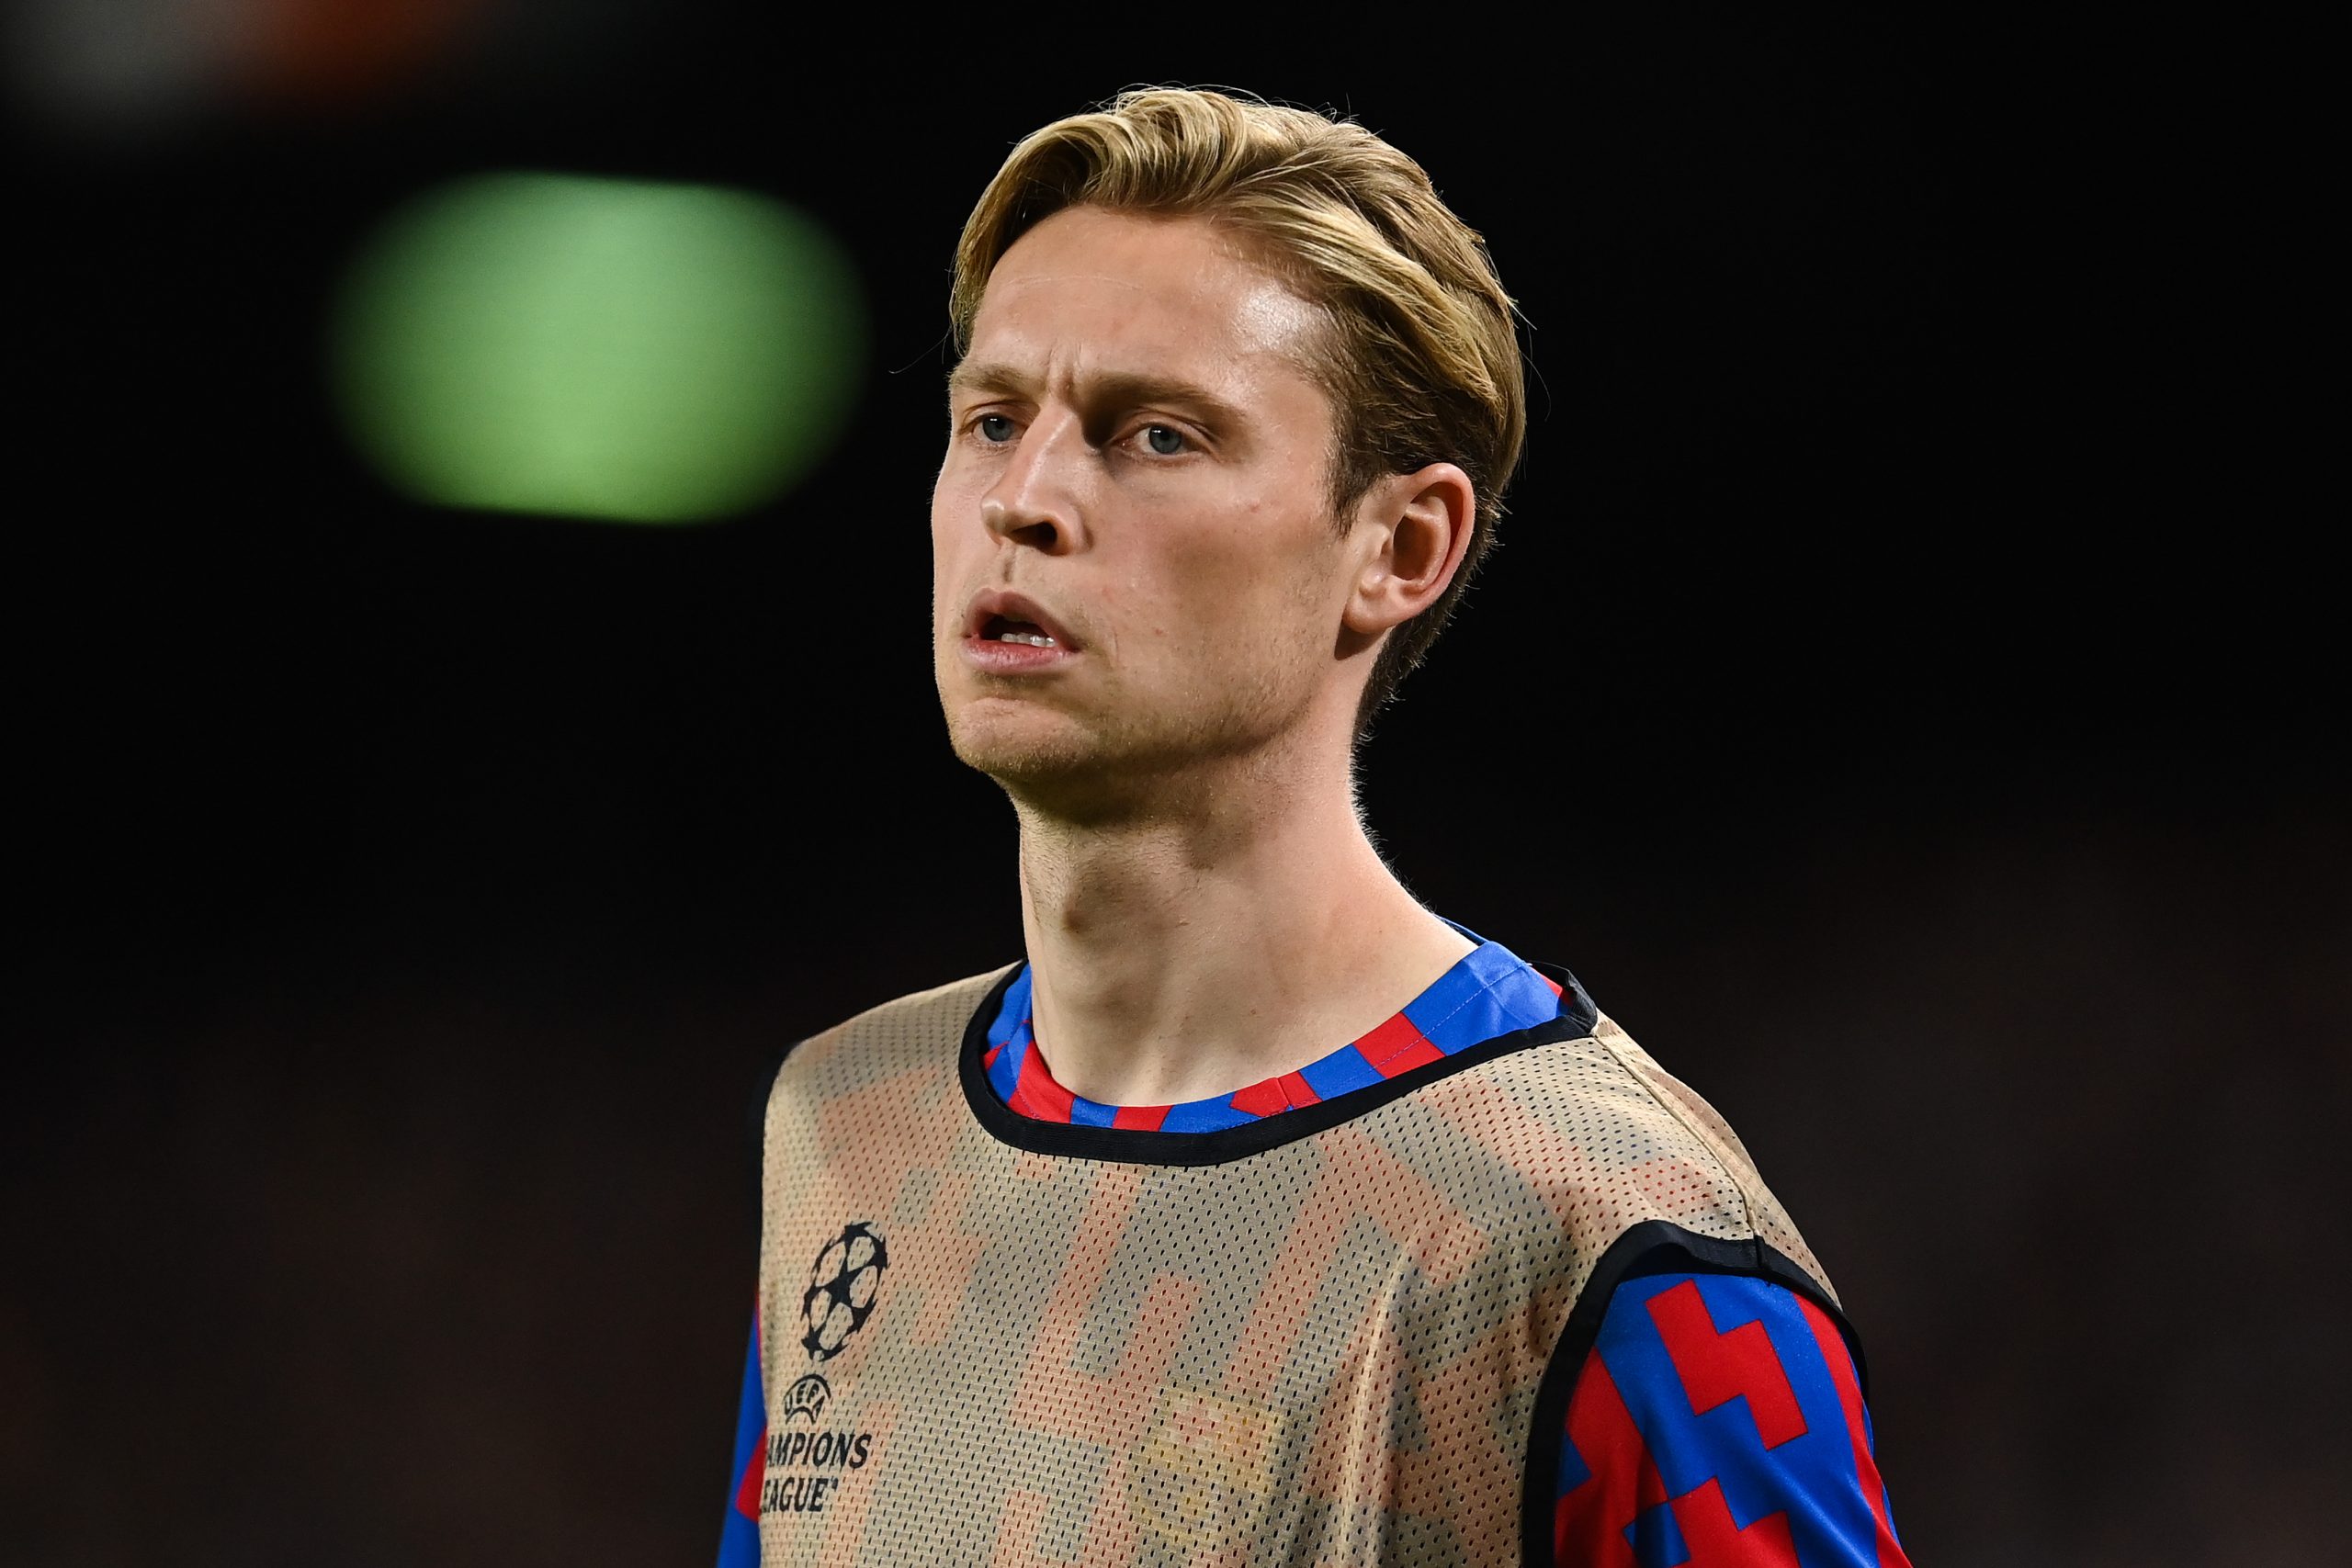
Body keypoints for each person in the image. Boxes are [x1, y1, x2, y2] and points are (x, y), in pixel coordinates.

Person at [717, 88, 1908, 1566]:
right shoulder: (850, 1122)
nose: (1024, 500)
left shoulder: (1609, 1247)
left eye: (1156, 435)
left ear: (1398, 547)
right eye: (992, 418)